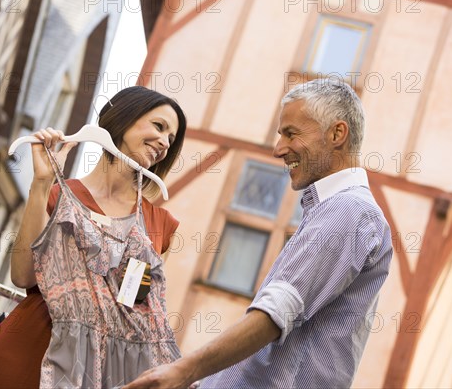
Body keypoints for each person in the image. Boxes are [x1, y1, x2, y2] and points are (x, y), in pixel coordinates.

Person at [124, 78, 393, 389]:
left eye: (291, 133)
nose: (278, 149)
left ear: (337, 133)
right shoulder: (335, 209)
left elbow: (274, 315)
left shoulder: (348, 210)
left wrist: (185, 371)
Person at [0, 86, 187, 388]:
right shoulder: (57, 194)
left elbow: (135, 311)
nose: (164, 142)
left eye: (171, 139)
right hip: (21, 353)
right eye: (159, 126)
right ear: (124, 118)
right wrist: (41, 183)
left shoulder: (160, 226)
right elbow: (23, 276)